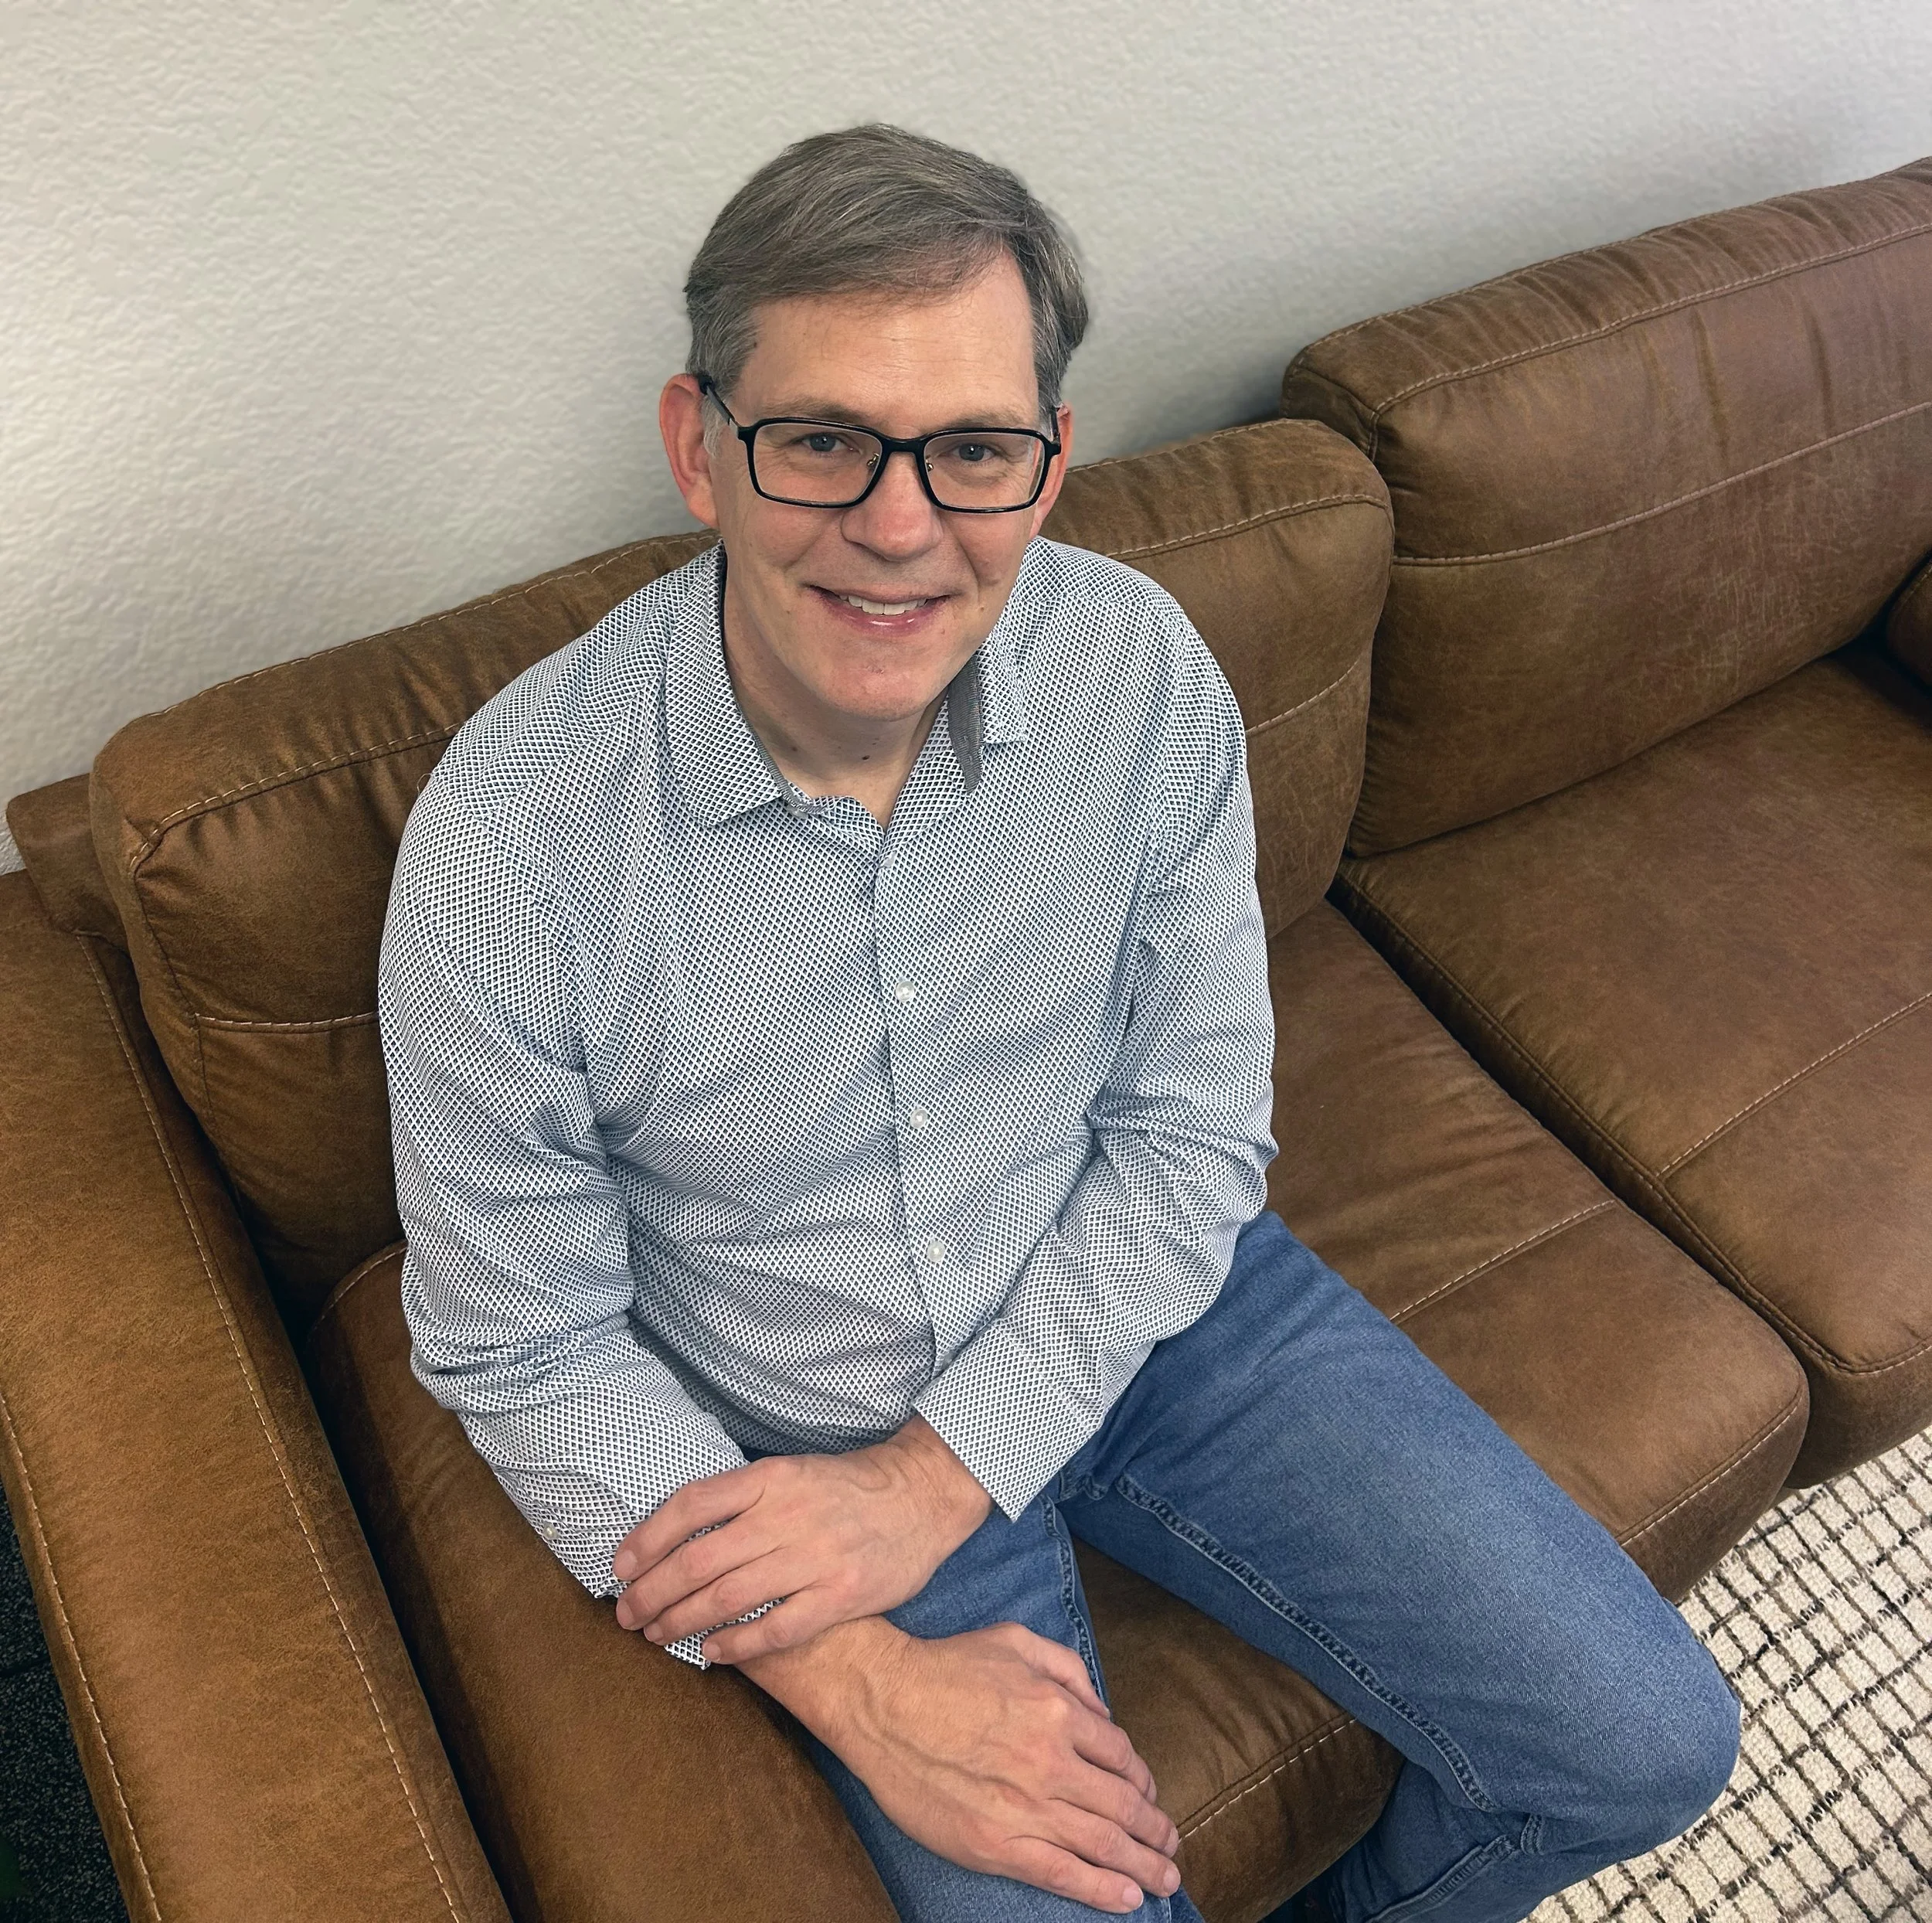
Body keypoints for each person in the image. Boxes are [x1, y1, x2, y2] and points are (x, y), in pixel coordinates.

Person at [377, 124, 1739, 1923]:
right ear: (698, 447)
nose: (899, 524)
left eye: (971, 449)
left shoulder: (1140, 670)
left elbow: (1189, 1126)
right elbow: (521, 1344)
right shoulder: (509, 849)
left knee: (1644, 1740)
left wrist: (945, 1467)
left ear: (1048, 462)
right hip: (801, 1434)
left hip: (1150, 1307)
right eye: (821, 440)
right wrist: (846, 1666)